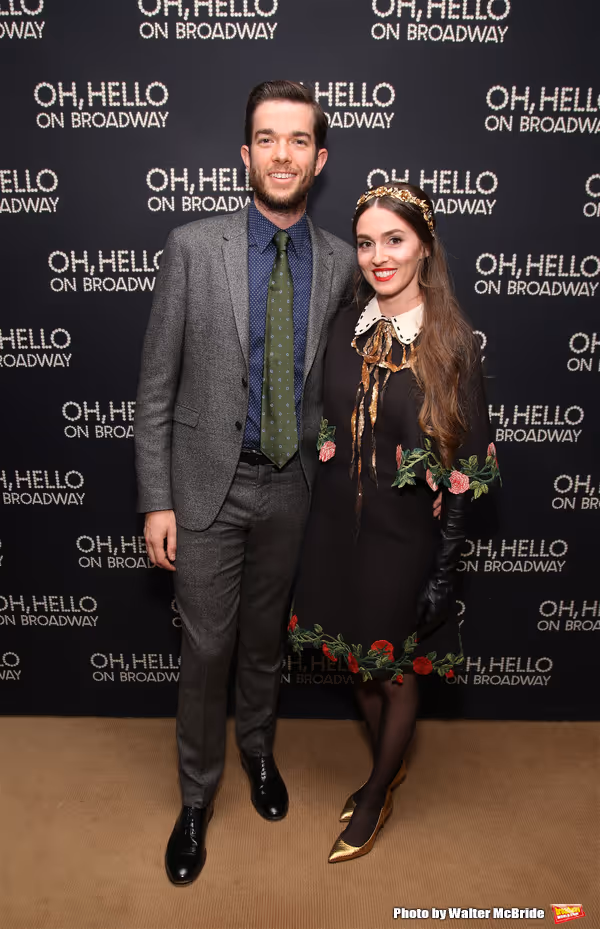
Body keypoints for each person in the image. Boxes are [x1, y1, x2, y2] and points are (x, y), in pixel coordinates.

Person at [134, 80, 357, 885]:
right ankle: (197, 796)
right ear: (246, 155)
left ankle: (258, 752)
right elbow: (156, 386)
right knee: (207, 647)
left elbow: (362, 375)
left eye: (299, 140)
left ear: (320, 158)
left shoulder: (340, 262)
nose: (283, 155)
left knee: (265, 643)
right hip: (203, 489)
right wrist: (155, 497)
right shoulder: (193, 247)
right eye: (268, 139)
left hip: (291, 489)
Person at [289, 183, 500, 864]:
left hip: (404, 539)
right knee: (359, 660)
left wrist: (443, 570)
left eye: (395, 239)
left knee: (397, 672)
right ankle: (391, 761)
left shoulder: (453, 345)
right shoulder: (343, 327)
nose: (379, 256)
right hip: (333, 531)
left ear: (425, 247)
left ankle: (377, 789)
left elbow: (466, 466)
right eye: (367, 241)